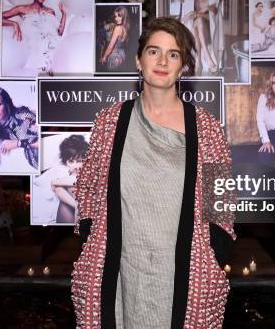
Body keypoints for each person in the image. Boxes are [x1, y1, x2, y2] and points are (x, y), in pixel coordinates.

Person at [71, 17, 236, 328]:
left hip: (186, 274)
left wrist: (212, 255)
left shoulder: (207, 129)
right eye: (153, 51)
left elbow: (221, 204)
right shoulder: (109, 122)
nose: (162, 61)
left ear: (184, 66)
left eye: (173, 54)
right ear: (138, 60)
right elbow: (89, 192)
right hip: (118, 272)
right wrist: (92, 242)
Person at [2, 0, 67, 75]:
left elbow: (59, 32)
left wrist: (64, 14)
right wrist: (13, 24)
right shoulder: (22, 9)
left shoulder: (50, 11)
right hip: (33, 55)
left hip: (51, 54)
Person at [33, 134, 89, 225]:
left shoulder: (89, 171)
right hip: (72, 212)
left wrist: (55, 182)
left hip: (88, 208)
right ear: (66, 162)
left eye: (79, 161)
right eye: (71, 161)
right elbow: (55, 187)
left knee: (69, 187)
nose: (75, 165)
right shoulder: (64, 173)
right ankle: (77, 207)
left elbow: (80, 182)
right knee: (60, 188)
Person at [180, 0, 224, 75]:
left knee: (199, 21)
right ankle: (205, 56)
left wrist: (197, 14)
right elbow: (185, 19)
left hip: (209, 31)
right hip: (192, 30)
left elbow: (213, 20)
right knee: (198, 22)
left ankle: (199, 60)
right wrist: (203, 11)